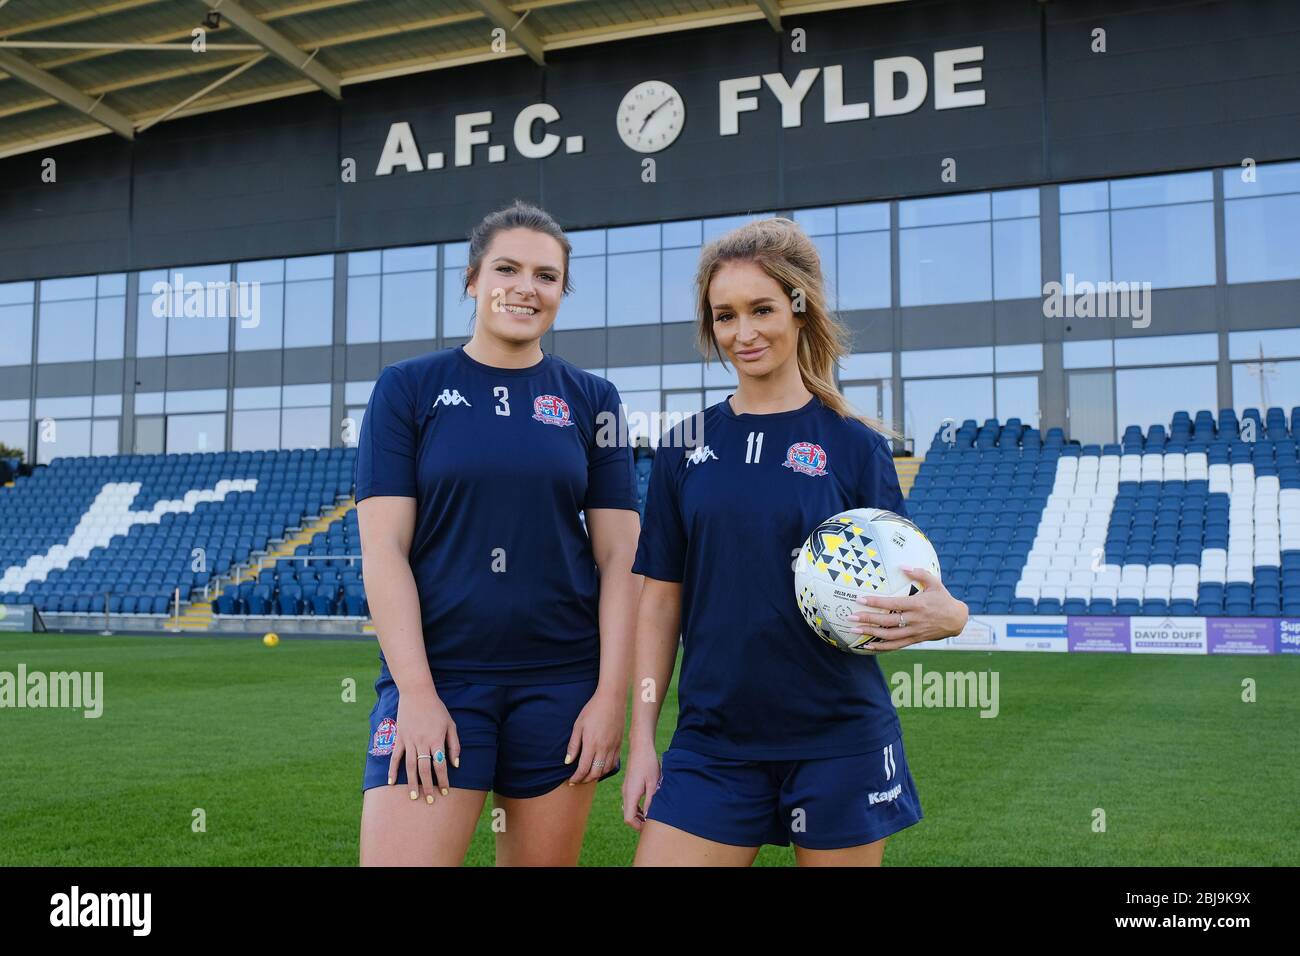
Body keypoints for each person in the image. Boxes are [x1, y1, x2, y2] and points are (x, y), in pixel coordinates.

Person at [623, 217, 968, 866]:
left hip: (838, 739)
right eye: (725, 316)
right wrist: (643, 737)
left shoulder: (856, 447)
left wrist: (953, 616)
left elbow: (912, 592)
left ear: (801, 309)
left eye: (762, 309)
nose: (742, 332)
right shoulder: (682, 448)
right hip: (712, 744)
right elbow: (659, 602)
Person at [356, 200, 642, 866]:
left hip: (560, 684)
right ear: (472, 280)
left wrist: (608, 698)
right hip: (441, 677)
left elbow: (620, 556)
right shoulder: (407, 389)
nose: (525, 287)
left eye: (546, 276)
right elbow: (384, 550)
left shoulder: (594, 399)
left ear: (561, 293)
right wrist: (418, 696)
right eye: (507, 268)